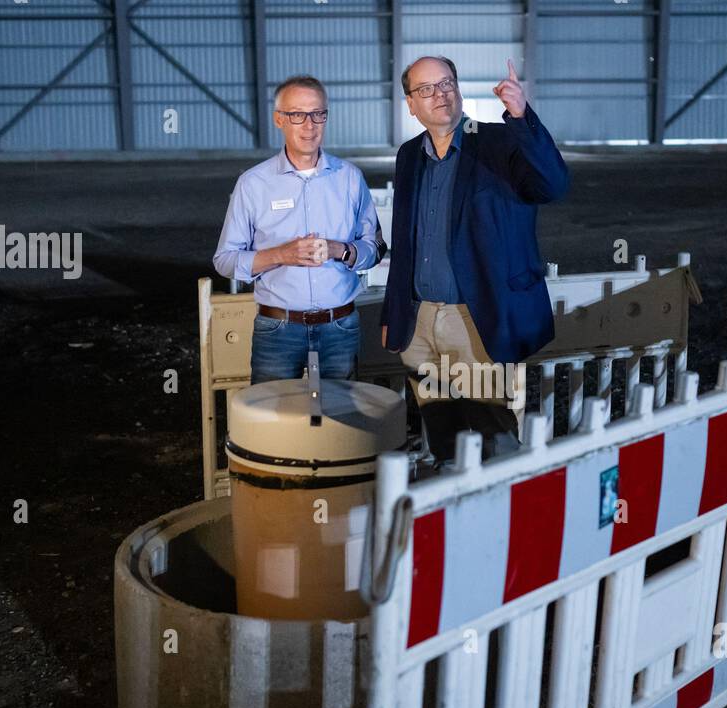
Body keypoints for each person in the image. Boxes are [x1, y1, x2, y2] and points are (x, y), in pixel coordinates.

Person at [380, 56, 569, 462]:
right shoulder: (409, 155)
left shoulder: (499, 141)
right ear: (411, 104)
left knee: (494, 436)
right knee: (442, 434)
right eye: (426, 89)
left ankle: (506, 518)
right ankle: (452, 513)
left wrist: (520, 115)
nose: (440, 94)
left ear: (459, 89)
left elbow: (552, 184)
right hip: (419, 323)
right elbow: (406, 242)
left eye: (447, 83)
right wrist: (393, 314)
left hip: (477, 317)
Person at [214, 75, 385, 383]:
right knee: (272, 420)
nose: (309, 125)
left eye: (318, 114)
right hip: (278, 328)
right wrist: (281, 254)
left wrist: (339, 250)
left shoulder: (349, 178)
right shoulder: (254, 184)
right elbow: (225, 260)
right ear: (279, 119)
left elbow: (373, 250)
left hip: (340, 326)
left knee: (340, 422)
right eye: (297, 115)